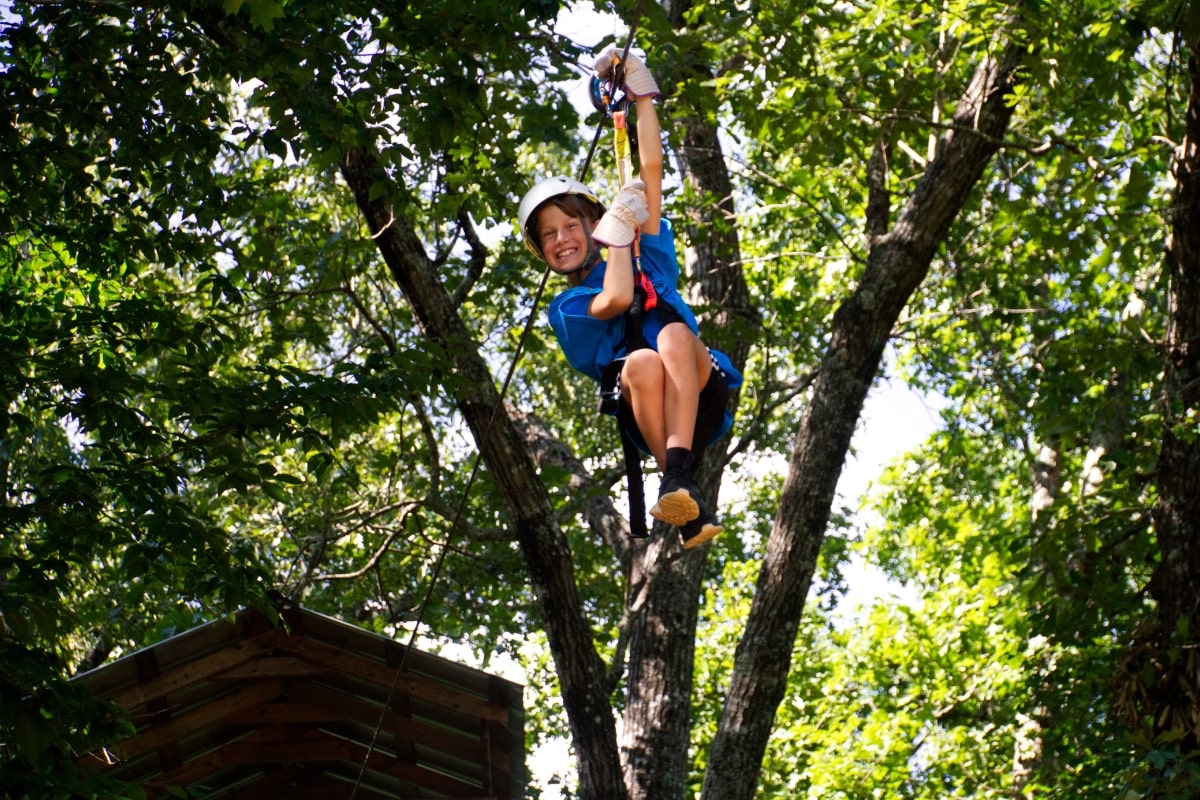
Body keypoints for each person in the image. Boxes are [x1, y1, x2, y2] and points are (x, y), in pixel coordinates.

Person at [517, 48, 741, 549]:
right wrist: (615, 235)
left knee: (675, 334)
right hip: (649, 414)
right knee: (639, 360)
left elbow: (652, 170)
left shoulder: (646, 256)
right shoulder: (568, 309)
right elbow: (616, 298)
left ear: (591, 223)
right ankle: (678, 482)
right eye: (548, 236)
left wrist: (641, 98)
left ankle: (678, 477)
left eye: (571, 225)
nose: (562, 240)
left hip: (700, 390)